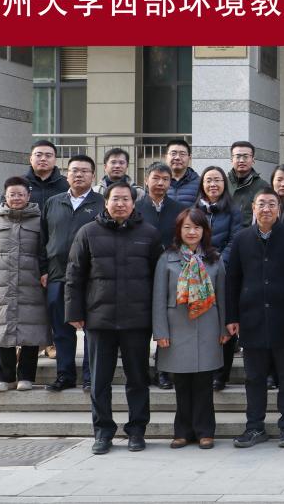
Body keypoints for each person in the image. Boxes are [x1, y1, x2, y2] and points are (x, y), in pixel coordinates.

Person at [66, 181, 162, 454]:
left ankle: (137, 431)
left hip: (137, 320)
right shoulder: (88, 232)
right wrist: (74, 312)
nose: (120, 204)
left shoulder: (149, 233)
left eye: (125, 199)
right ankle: (103, 432)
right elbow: (74, 275)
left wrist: (158, 318)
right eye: (115, 199)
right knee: (99, 381)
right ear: (105, 202)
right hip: (100, 319)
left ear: (133, 203)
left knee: (138, 379)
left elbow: (159, 279)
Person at [227, 189, 284, 448]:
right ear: (253, 207)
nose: (266, 209)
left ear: (279, 208)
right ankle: (254, 427)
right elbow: (232, 280)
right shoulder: (241, 239)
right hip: (251, 319)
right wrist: (231, 316)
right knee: (254, 378)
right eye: (261, 204)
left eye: (271, 204)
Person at [152, 208, 226, 450]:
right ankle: (182, 432)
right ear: (179, 230)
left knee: (204, 383)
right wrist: (160, 331)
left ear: (204, 231)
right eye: (187, 227)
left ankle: (205, 431)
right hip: (177, 328)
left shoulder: (214, 258)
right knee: (181, 384)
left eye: (197, 227)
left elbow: (223, 296)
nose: (192, 232)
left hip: (208, 326)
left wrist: (224, 328)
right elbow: (158, 297)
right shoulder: (167, 258)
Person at [0, 176, 50, 393]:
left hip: (31, 283)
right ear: (5, 196)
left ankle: (26, 377)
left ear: (28, 196)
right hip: (1, 284)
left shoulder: (40, 221)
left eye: (20, 194)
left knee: (31, 332)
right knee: (3, 331)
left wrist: (46, 274)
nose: (16, 198)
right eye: (12, 194)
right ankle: (5, 377)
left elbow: (46, 252)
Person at [41, 155, 102, 392]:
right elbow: (43, 239)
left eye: (85, 171)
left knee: (92, 330)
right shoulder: (53, 202)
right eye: (74, 170)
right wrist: (43, 269)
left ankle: (90, 376)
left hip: (91, 278)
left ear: (93, 176)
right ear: (67, 174)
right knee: (61, 329)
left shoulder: (102, 203)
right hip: (57, 275)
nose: (79, 175)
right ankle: (65, 375)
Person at [136, 162, 185, 390]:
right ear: (146, 180)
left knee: (168, 322)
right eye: (156, 178)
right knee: (142, 324)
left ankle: (163, 371)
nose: (160, 183)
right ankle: (142, 371)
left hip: (171, 272)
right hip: (141, 272)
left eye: (165, 179)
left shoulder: (179, 209)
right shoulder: (136, 208)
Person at [195, 166, 243, 261]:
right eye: (208, 181)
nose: (213, 184)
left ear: (224, 183)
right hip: (196, 264)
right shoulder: (194, 210)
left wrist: (219, 263)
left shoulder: (234, 211)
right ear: (202, 184)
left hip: (222, 264)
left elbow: (234, 241)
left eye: (217, 180)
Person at [227, 141, 271, 228]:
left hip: (250, 234)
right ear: (231, 159)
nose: (241, 160)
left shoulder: (263, 186)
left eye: (246, 156)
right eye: (238, 156)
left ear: (253, 159)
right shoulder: (223, 183)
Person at [23, 139, 69, 206]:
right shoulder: (19, 183)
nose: (43, 159)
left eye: (48, 155)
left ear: (55, 160)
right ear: (31, 159)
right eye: (38, 155)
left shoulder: (67, 184)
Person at [165, 139, 201, 206]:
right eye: (173, 153)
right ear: (166, 157)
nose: (177, 157)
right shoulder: (158, 182)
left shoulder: (200, 183)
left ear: (189, 158)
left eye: (182, 154)